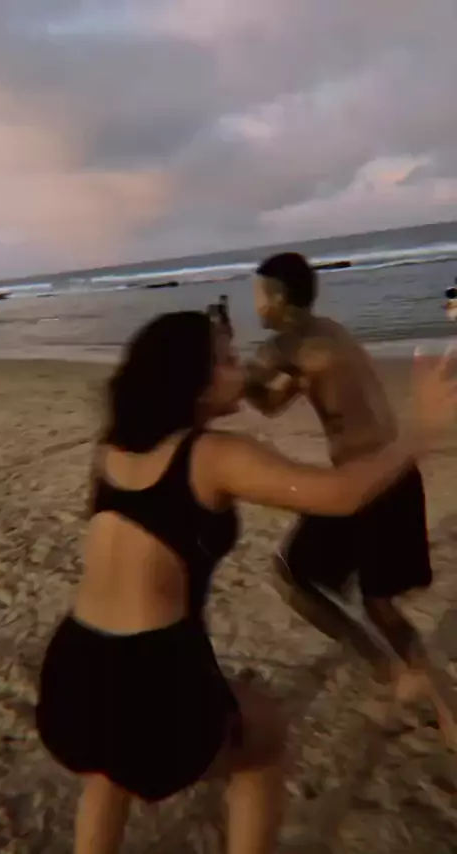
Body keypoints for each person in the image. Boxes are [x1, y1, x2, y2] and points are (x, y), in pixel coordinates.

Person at [36, 310, 455, 854]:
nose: (244, 369)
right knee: (265, 739)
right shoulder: (214, 455)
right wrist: (419, 431)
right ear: (195, 383)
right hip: (149, 678)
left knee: (108, 769)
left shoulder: (111, 450)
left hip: (72, 676)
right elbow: (342, 496)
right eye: (229, 360)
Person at [244, 252, 456, 714]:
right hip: (397, 472)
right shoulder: (326, 334)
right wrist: (252, 385)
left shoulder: (287, 346)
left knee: (291, 573)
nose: (254, 305)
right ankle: (438, 704)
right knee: (378, 603)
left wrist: (216, 358)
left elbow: (238, 381)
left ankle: (387, 668)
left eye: (258, 295)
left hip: (367, 482)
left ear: (278, 298)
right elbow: (270, 404)